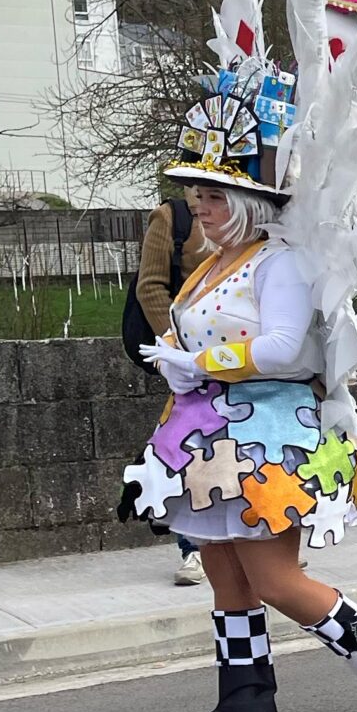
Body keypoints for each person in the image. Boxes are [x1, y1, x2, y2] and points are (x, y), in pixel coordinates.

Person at [123, 0, 357, 712]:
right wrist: (180, 357)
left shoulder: (283, 258)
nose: (200, 208)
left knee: (270, 571)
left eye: (214, 195)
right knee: (222, 568)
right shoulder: (220, 258)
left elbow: (287, 347)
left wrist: (203, 360)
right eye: (194, 195)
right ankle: (247, 697)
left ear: (252, 197)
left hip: (267, 436)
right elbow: (192, 329)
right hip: (211, 435)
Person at [126, 194, 209, 583]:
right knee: (189, 447)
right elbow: (150, 287)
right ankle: (193, 549)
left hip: (242, 350)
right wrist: (173, 345)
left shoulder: (252, 207)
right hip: (187, 354)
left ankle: (261, 542)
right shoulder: (173, 217)